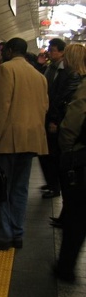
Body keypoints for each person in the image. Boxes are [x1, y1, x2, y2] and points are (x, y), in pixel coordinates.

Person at [0, 37, 48, 250]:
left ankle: (2, 234)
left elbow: (1, 107)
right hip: (31, 139)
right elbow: (44, 106)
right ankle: (17, 233)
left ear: (10, 50)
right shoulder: (38, 75)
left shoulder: (6, 69)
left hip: (9, 139)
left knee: (0, 187)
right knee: (19, 188)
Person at [53, 43, 86, 283]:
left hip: (81, 157)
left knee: (77, 216)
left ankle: (65, 268)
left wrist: (67, 151)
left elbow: (72, 123)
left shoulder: (82, 85)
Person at [39, 38, 77, 199]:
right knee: (45, 153)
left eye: (52, 49)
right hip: (46, 115)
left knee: (53, 154)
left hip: (55, 118)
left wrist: (55, 120)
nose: (49, 51)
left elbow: (60, 98)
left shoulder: (68, 72)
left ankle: (55, 187)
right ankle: (51, 182)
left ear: (62, 52)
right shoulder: (49, 68)